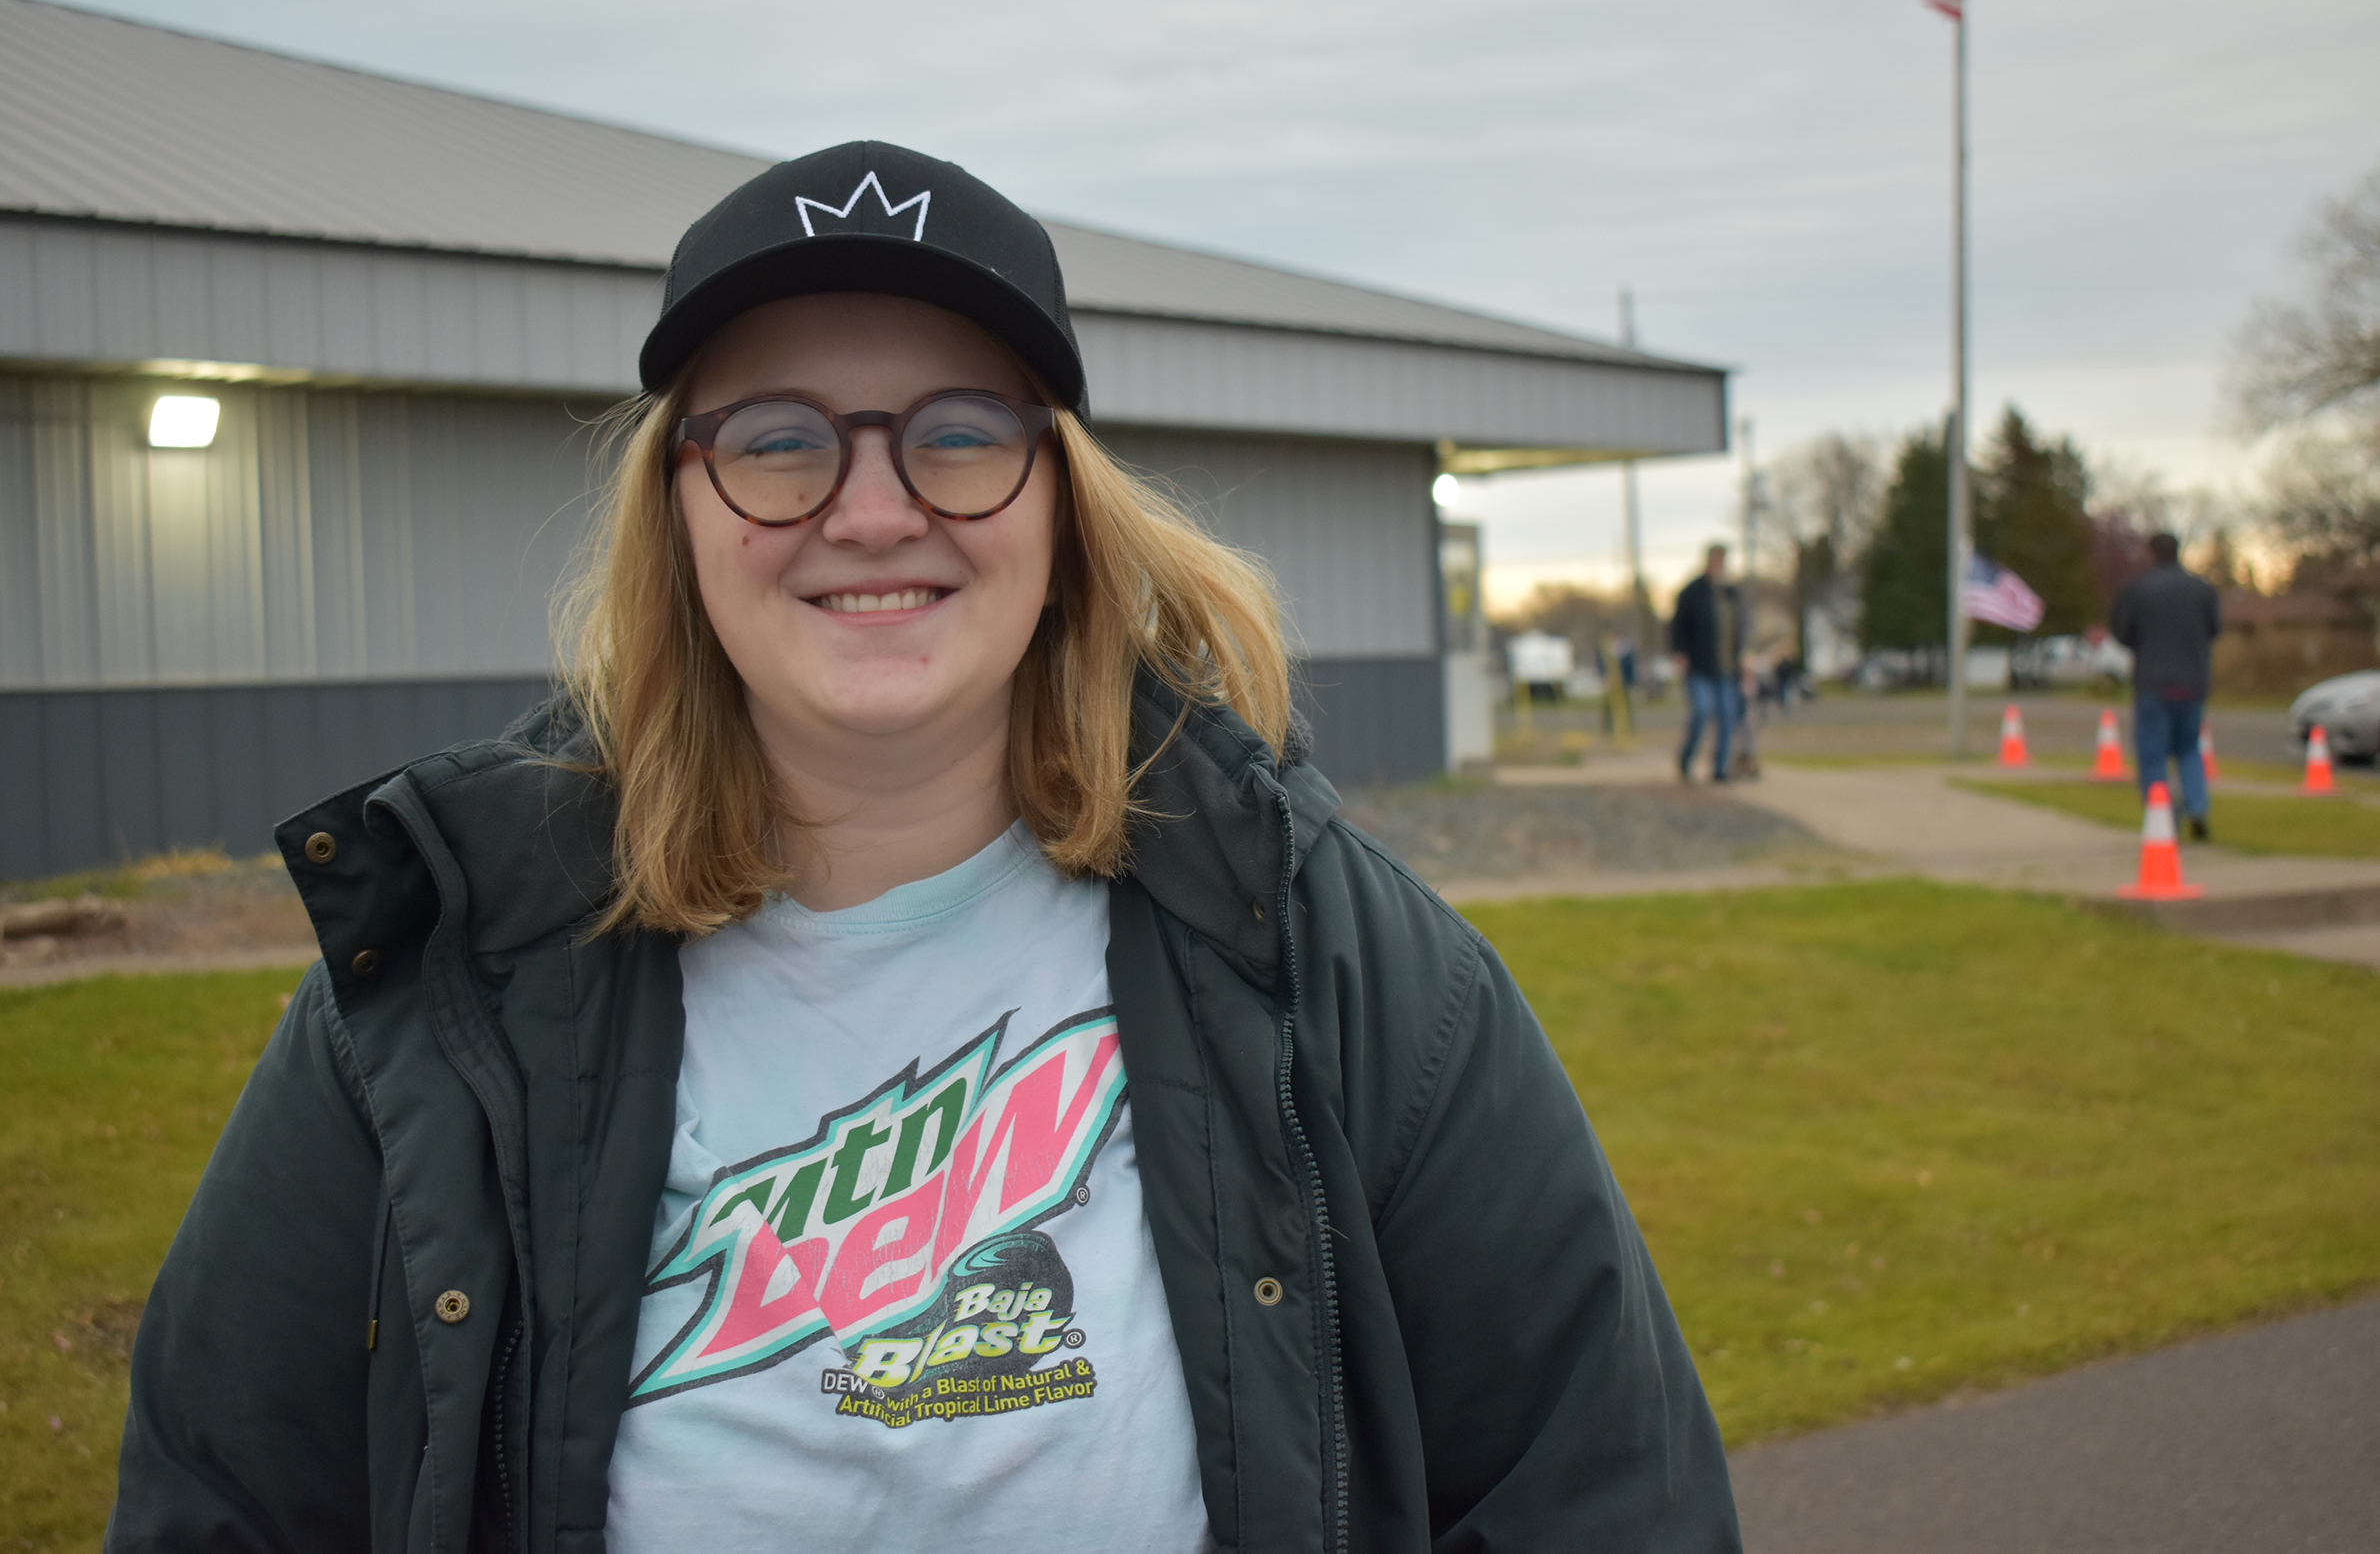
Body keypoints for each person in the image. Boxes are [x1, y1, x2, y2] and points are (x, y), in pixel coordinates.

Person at [107, 142, 1739, 1552]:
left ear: (1059, 500)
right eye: (777, 438)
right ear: (681, 506)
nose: (874, 508)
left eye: (958, 431)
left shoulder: (1334, 956)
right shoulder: (453, 979)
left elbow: (1601, 1491)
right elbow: (222, 1495)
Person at [2110, 532, 2222, 840]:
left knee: (2152, 753)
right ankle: (2197, 808)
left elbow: (2122, 632)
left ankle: (2161, 814)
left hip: (2153, 682)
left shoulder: (2138, 590)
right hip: (2192, 681)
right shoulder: (2201, 589)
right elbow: (2215, 629)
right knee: (2189, 749)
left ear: (2151, 553)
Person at [1669, 543, 1746, 782]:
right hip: (1699, 666)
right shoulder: (1692, 593)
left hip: (1727, 668)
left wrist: (1743, 659)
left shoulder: (1730, 593)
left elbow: (1738, 631)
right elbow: (1677, 626)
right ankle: (1687, 757)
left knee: (1727, 716)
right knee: (1702, 710)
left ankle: (1719, 768)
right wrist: (1680, 653)